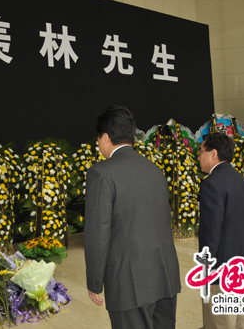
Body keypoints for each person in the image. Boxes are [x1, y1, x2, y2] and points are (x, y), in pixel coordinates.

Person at [84, 106, 181, 329]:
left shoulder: (101, 173)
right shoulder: (154, 169)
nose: (98, 144)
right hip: (164, 276)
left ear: (106, 137)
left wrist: (95, 282)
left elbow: (98, 233)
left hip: (129, 284)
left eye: (98, 138)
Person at [198, 133, 244, 329]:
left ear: (213, 154)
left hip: (222, 271)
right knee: (242, 322)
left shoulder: (211, 184)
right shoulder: (242, 181)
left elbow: (210, 233)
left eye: (201, 151)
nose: (199, 156)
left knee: (220, 323)